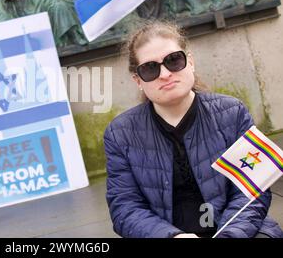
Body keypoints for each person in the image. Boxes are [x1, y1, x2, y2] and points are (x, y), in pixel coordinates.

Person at [104, 21, 283, 238]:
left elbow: (253, 191)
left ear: (190, 62)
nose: (165, 74)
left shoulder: (232, 113)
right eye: (150, 68)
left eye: (173, 60)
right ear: (137, 80)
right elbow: (125, 208)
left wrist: (230, 235)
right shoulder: (120, 134)